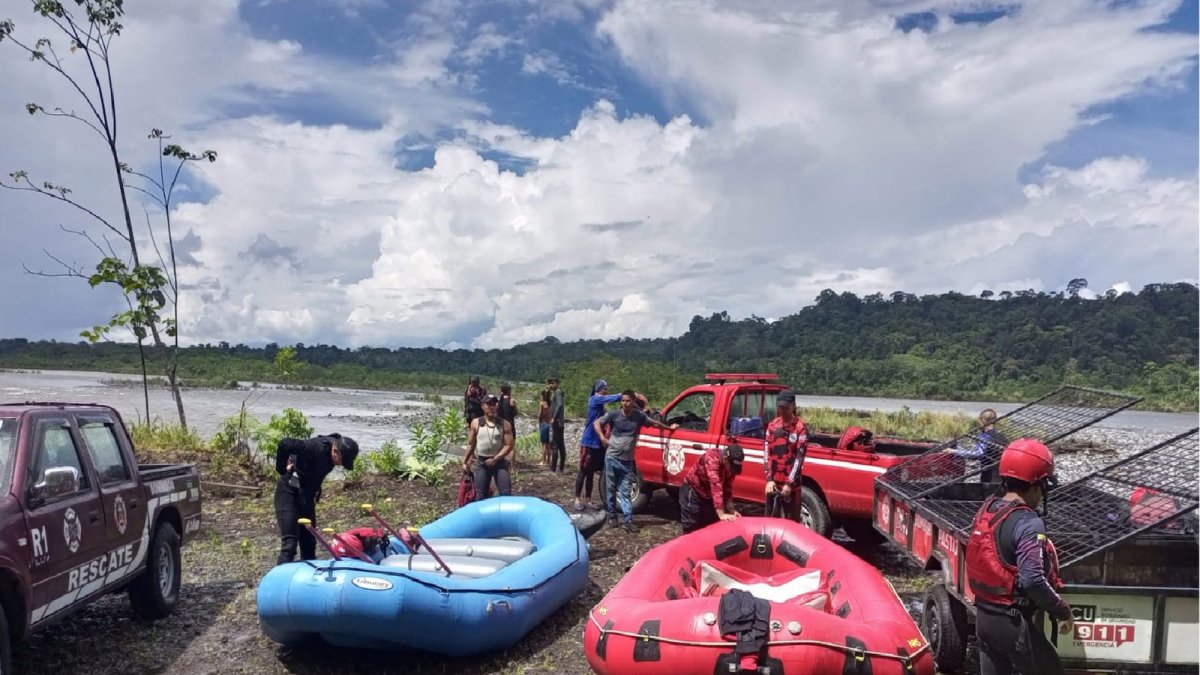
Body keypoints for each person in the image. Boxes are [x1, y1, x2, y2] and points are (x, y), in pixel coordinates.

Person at [965, 439, 1072, 675]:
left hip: (984, 618)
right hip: (1012, 624)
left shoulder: (987, 509)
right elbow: (1032, 579)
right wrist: (1061, 610)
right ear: (1038, 484)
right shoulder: (1028, 523)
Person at [595, 389, 679, 531]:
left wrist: (669, 428)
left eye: (628, 401)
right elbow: (597, 422)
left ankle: (628, 520)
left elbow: (654, 423)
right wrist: (602, 438)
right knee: (610, 489)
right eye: (623, 401)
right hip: (611, 458)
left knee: (625, 490)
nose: (625, 404)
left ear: (633, 402)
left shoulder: (638, 416)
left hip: (627, 461)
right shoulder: (614, 415)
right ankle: (613, 517)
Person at [274, 433, 359, 565]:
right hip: (288, 489)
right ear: (335, 451)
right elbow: (286, 443)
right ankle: (278, 581)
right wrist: (282, 470)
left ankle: (309, 581)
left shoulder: (335, 448)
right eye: (341, 461)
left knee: (309, 541)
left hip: (305, 493)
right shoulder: (316, 448)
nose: (341, 465)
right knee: (290, 543)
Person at [575, 379, 622, 511]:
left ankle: (588, 500)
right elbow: (611, 398)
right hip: (589, 441)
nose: (606, 391)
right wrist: (622, 396)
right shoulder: (594, 399)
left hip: (597, 442)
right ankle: (577, 499)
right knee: (583, 471)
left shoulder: (600, 405)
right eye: (605, 389)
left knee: (590, 472)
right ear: (599, 389)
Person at [679, 443, 745, 533]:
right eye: (731, 466)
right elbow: (715, 484)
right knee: (691, 525)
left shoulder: (732, 469)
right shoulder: (712, 457)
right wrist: (721, 513)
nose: (731, 470)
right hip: (693, 490)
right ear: (725, 458)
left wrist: (731, 510)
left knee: (710, 525)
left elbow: (727, 487)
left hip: (709, 495)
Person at [764, 389, 807, 521]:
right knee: (770, 521)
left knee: (791, 521)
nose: (782, 411)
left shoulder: (800, 428)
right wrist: (769, 479)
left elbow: (799, 458)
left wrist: (789, 483)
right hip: (773, 483)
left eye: (786, 407)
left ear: (793, 406)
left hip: (791, 485)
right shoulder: (773, 426)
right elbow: (767, 454)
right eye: (780, 407)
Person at [462, 394, 515, 500]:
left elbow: (509, 445)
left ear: (497, 406)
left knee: (506, 493)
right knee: (480, 495)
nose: (492, 407)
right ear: (482, 406)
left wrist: (495, 459)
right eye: (489, 404)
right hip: (482, 462)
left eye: (494, 404)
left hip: (499, 462)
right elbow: (471, 443)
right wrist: (465, 460)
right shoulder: (475, 423)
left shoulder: (505, 424)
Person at [944, 408, 1009, 482]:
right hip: (1003, 475)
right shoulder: (1002, 436)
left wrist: (954, 451)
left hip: (990, 477)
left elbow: (978, 453)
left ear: (983, 420)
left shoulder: (986, 436)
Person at [547, 376, 566, 473]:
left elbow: (559, 405)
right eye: (549, 383)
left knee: (554, 444)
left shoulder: (558, 392)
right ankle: (561, 467)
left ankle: (553, 468)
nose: (550, 385)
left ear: (557, 383)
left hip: (557, 422)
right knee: (560, 444)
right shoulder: (556, 392)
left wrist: (554, 417)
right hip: (559, 422)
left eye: (551, 383)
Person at [497, 383, 519, 469]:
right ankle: (512, 467)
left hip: (501, 425)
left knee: (501, 445)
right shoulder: (511, 401)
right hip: (510, 425)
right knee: (512, 447)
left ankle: (500, 464)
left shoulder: (499, 402)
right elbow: (516, 413)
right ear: (509, 391)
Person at [538, 387, 552, 467]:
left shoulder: (542, 404)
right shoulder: (551, 403)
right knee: (548, 444)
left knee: (543, 444)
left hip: (543, 423)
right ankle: (548, 461)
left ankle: (543, 461)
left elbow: (539, 414)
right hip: (549, 423)